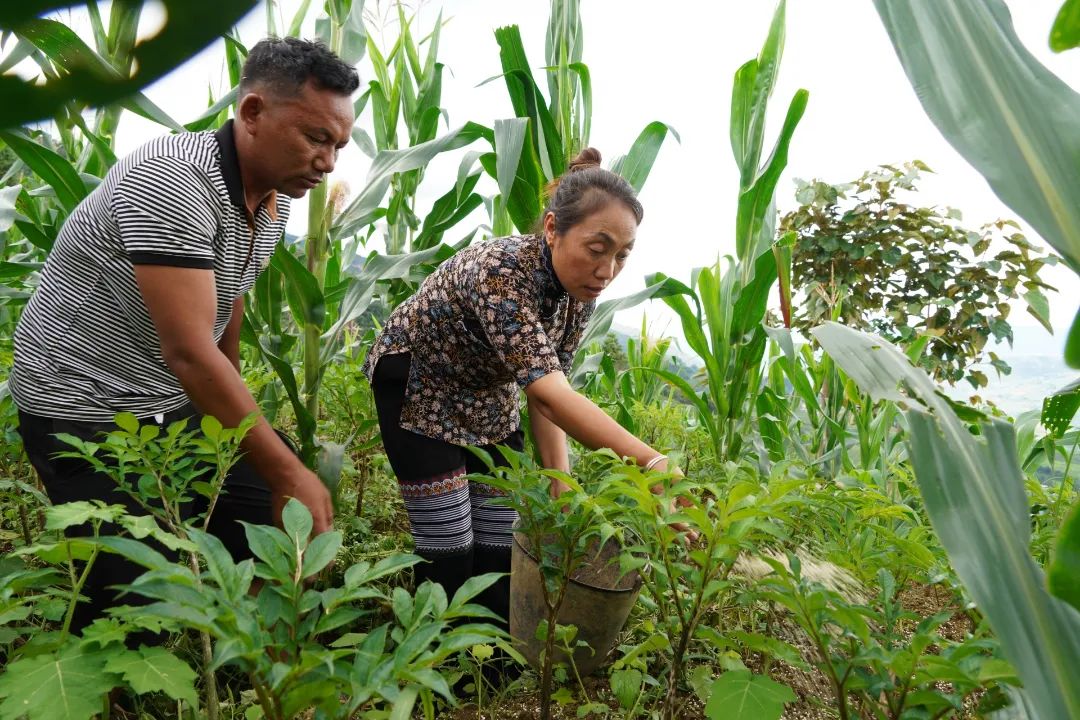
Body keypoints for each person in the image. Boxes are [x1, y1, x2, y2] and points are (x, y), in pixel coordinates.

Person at [10, 37, 358, 634]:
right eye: (316, 138)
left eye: (338, 146)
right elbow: (190, 351)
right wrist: (287, 471)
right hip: (82, 403)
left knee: (273, 535)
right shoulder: (172, 181)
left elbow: (228, 299)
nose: (328, 163)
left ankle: (257, 665)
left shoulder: (272, 200)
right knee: (136, 600)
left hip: (175, 398)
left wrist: (234, 425)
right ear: (252, 112)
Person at [364, 147, 683, 640]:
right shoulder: (501, 270)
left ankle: (490, 660)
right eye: (597, 249)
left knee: (499, 543)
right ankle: (429, 655)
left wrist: (561, 479)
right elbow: (550, 394)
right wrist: (651, 462)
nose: (607, 270)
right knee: (450, 546)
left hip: (487, 396)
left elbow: (549, 390)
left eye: (622, 255)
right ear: (552, 229)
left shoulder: (578, 295)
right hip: (421, 383)